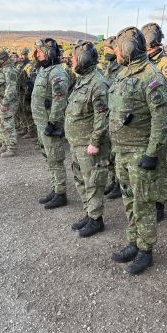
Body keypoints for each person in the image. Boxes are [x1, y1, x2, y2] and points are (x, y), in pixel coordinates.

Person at [108, 26, 167, 275]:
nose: (115, 51)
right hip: (122, 150)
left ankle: (146, 250)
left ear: (128, 48)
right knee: (128, 200)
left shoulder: (151, 76)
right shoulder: (124, 73)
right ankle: (134, 242)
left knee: (143, 204)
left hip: (140, 153)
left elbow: (162, 118)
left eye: (118, 47)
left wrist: (152, 152)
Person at [66, 42, 111, 238]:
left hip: (89, 145)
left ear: (83, 59)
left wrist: (95, 141)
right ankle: (89, 212)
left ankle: (96, 219)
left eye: (73, 57)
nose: (71, 61)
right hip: (77, 142)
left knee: (93, 182)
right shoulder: (83, 80)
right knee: (80, 180)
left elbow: (103, 116)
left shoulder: (98, 83)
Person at [142, 22, 167, 210]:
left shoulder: (165, 64)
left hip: (162, 120)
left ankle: (160, 200)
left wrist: (163, 123)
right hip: (150, 120)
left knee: (161, 159)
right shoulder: (147, 62)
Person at [31, 38, 70, 209]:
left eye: (40, 51)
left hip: (50, 124)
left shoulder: (57, 73)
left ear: (49, 53)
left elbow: (60, 100)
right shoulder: (44, 70)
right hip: (41, 122)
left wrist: (53, 123)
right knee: (48, 158)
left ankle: (61, 193)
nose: (37, 54)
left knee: (55, 159)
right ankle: (55, 189)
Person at [102, 36, 123, 200]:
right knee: (109, 153)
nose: (105, 52)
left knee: (117, 153)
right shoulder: (109, 67)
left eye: (108, 48)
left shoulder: (122, 68)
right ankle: (113, 180)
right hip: (108, 114)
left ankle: (119, 184)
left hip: (118, 116)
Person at [0, 50, 20, 157]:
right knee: (1, 123)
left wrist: (5, 103)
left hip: (8, 102)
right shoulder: (2, 69)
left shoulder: (9, 70)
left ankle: (12, 148)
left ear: (2, 59)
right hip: (2, 100)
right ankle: (5, 144)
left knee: (8, 125)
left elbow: (11, 88)